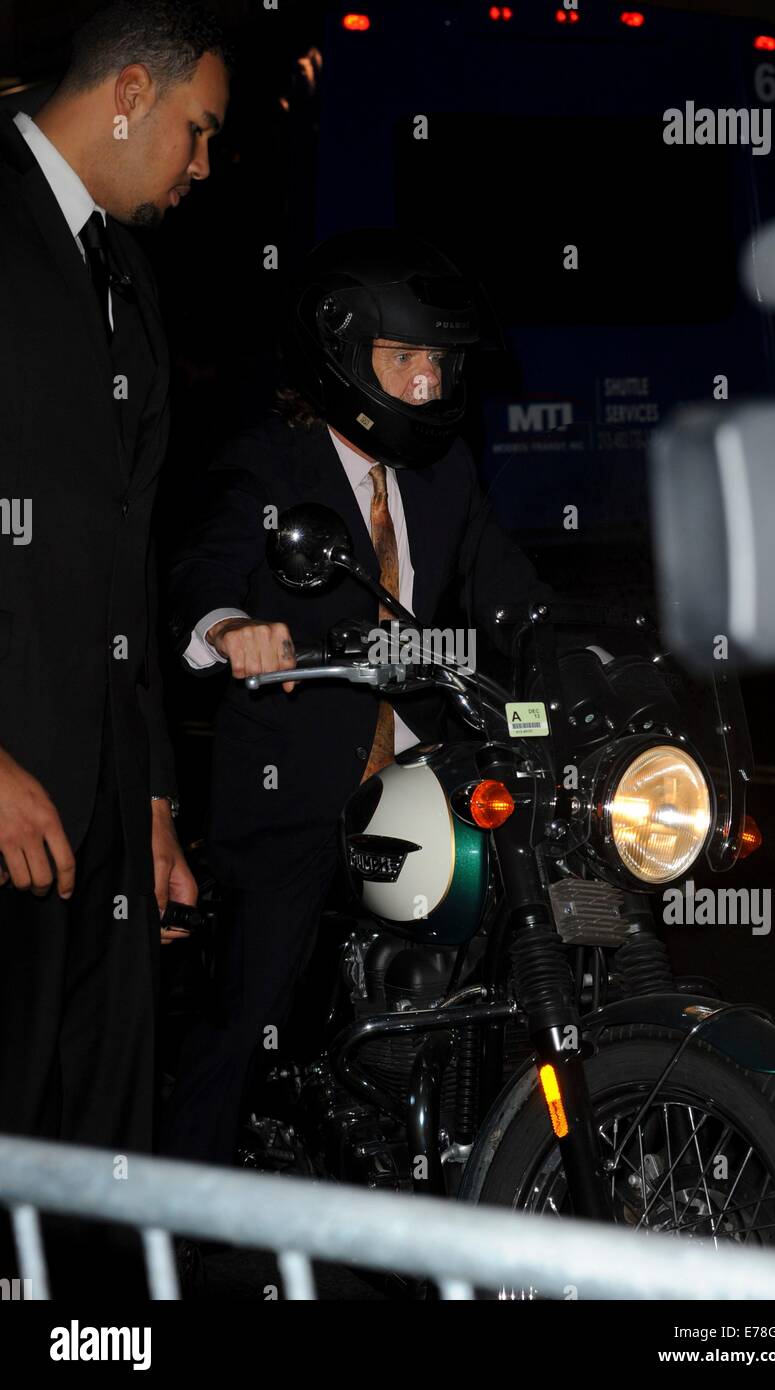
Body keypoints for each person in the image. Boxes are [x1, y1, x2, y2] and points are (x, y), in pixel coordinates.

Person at [161, 228, 554, 1165]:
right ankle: (176, 1215)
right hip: (295, 776)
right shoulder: (268, 464)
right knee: (249, 1009)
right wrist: (228, 628)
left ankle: (459, 1133)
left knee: (511, 913)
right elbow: (201, 571)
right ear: (342, 356)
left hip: (420, 763)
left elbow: (506, 585)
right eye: (404, 356)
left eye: (439, 361)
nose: (427, 380)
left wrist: (574, 644)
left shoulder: (445, 468)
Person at [0, 0, 230, 1152]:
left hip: (101, 803)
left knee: (101, 1130)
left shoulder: (127, 276)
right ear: (131, 91)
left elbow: (125, 559)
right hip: (9, 788)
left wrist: (149, 803)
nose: (204, 163)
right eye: (197, 129)